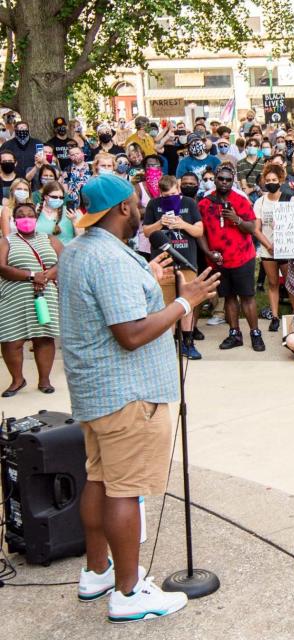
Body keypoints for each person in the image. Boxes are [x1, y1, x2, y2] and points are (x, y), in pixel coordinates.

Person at [59, 173, 220, 622]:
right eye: (135, 202)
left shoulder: (80, 251)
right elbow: (130, 334)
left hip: (98, 391)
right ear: (123, 209)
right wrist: (184, 303)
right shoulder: (109, 260)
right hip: (129, 396)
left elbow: (106, 304)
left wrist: (146, 279)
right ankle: (128, 595)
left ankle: (98, 572)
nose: (140, 207)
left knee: (99, 479)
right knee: (124, 492)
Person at [196, 165, 265, 352]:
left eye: (228, 180)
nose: (224, 183)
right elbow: (200, 231)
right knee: (228, 297)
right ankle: (235, 333)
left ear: (233, 180)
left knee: (247, 297)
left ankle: (255, 333)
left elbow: (252, 228)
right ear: (216, 179)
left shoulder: (240, 199)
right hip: (218, 259)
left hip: (242, 257)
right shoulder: (204, 203)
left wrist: (237, 219)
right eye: (221, 179)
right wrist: (207, 252)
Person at [0, 201, 63, 396]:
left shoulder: (50, 239)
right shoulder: (6, 241)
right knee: (11, 340)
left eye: (29, 214)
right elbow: (2, 267)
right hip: (13, 299)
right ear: (14, 220)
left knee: (43, 338)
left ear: (35, 219)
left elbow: (64, 261)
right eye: (20, 215)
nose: (25, 218)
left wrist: (45, 275)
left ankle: (44, 380)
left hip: (44, 295)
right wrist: (31, 275)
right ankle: (17, 380)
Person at [142, 174, 204, 359]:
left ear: (179, 189)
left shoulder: (189, 203)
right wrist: (160, 223)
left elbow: (199, 230)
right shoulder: (154, 205)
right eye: (167, 195)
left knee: (187, 304)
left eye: (175, 193)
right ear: (160, 193)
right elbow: (146, 232)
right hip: (164, 263)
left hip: (187, 260)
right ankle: (168, 346)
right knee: (167, 306)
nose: (172, 197)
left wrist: (183, 224)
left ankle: (188, 342)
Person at [253, 165, 293, 328]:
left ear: (280, 180)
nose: (271, 183)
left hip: (286, 248)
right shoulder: (260, 202)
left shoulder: (290, 199)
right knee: (273, 283)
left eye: (274, 180)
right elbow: (256, 229)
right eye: (268, 180)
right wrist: (269, 245)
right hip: (267, 249)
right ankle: (275, 317)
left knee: (291, 285)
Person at [35, 180, 77, 244]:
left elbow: (80, 237)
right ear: (45, 197)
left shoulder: (69, 213)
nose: (58, 199)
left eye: (61, 197)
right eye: (54, 197)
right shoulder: (35, 211)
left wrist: (74, 221)